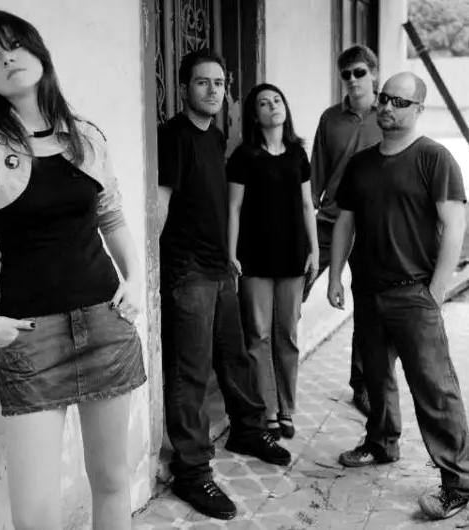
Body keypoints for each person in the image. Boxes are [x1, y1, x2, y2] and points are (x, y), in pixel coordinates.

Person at [0, 11, 146, 530]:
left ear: (38, 51)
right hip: (31, 337)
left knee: (112, 481)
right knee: (34, 513)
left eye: (14, 45)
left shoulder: (86, 136)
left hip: (105, 322)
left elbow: (113, 217)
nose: (6, 59)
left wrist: (135, 282)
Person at [328, 71, 469, 520]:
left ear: (419, 109)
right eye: (385, 98)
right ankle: (381, 443)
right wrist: (335, 277)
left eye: (399, 101)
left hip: (414, 294)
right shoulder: (361, 164)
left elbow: (454, 224)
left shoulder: (434, 158)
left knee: (434, 388)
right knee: (376, 378)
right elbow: (345, 222)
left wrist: (437, 290)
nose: (387, 106)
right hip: (368, 291)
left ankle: (459, 481)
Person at [157, 50, 291, 521]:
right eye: (202, 82)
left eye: (219, 83)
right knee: (190, 372)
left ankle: (248, 429)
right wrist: (156, 268)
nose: (213, 90)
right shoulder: (173, 136)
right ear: (183, 89)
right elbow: (161, 204)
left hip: (219, 266)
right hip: (188, 269)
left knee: (234, 356)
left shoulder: (216, 137)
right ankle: (192, 470)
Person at [227, 83, 318, 440]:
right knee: (258, 335)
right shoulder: (244, 156)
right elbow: (234, 208)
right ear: (255, 115)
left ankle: (287, 408)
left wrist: (314, 250)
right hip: (255, 257)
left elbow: (308, 205)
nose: (273, 106)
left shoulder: (297, 154)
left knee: (287, 335)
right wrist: (231, 253)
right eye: (264, 103)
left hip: (293, 256)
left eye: (277, 100)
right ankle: (268, 410)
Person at [305, 44, 384, 416]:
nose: (353, 80)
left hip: (372, 226)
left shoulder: (388, 114)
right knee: (294, 285)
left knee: (368, 306)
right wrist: (304, 221)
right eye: (346, 74)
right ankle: (273, 375)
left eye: (359, 72)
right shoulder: (330, 119)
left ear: (374, 73)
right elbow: (315, 176)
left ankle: (362, 385)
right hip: (330, 220)